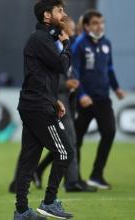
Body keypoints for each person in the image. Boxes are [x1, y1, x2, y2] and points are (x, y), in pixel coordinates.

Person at [13, 0, 74, 219]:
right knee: (65, 152)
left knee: (29, 159)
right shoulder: (40, 38)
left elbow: (42, 75)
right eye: (60, 10)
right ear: (47, 15)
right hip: (37, 106)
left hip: (35, 103)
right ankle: (49, 201)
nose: (64, 14)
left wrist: (53, 99)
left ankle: (21, 210)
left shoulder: (43, 38)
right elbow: (62, 66)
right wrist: (67, 45)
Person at [29, 17, 96, 193]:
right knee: (69, 143)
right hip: (56, 102)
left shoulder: (65, 47)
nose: (73, 32)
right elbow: (46, 80)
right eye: (71, 29)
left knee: (60, 145)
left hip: (67, 101)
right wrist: (67, 84)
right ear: (61, 29)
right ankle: (71, 182)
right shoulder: (50, 47)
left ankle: (39, 173)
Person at [73, 9, 125, 190]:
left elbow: (109, 69)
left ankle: (96, 175)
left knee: (109, 132)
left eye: (101, 22)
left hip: (103, 99)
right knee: (75, 139)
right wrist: (81, 95)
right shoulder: (79, 45)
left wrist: (116, 87)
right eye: (95, 23)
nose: (99, 26)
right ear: (87, 26)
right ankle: (74, 178)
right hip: (85, 101)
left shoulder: (106, 43)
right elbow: (74, 73)